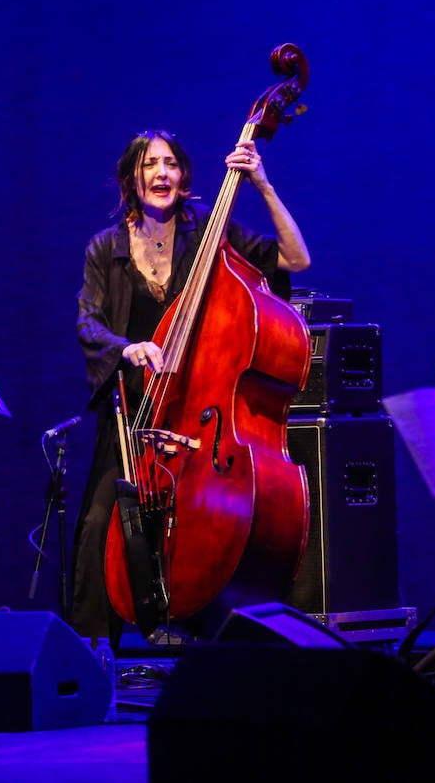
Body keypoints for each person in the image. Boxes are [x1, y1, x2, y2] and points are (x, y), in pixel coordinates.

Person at [72, 129, 311, 649]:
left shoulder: (210, 232)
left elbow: (295, 261)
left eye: (171, 165)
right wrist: (128, 348)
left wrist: (263, 185)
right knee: (97, 524)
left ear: (184, 178)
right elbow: (88, 325)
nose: (161, 173)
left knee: (219, 521)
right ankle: (92, 656)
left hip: (199, 418)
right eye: (149, 165)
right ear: (130, 180)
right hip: (137, 412)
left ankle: (218, 637)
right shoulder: (105, 248)